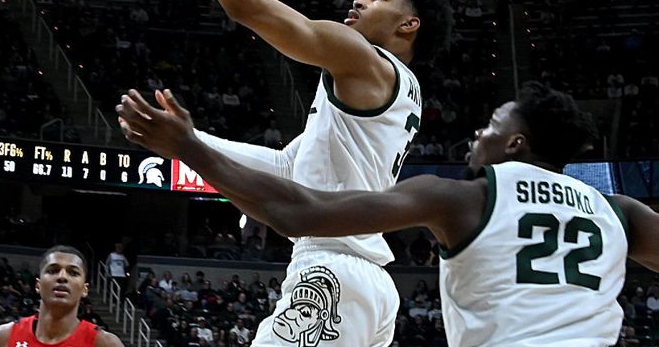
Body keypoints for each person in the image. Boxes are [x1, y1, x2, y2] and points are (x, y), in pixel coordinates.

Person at [142, 0, 453, 347]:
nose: (358, 2)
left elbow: (247, 7)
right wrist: (192, 142)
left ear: (408, 25)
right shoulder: (393, 93)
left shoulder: (363, 58)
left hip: (330, 272)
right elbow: (289, 168)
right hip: (369, 285)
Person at [117, 83, 659, 347]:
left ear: (516, 143)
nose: (479, 133)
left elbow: (297, 211)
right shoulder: (621, 211)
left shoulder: (461, 197)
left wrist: (191, 148)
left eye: (491, 124)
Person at [0, 246, 123, 347]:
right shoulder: (2, 338)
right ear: (38, 285)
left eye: (73, 273)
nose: (62, 277)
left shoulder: (105, 343)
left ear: (84, 289)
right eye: (53, 270)